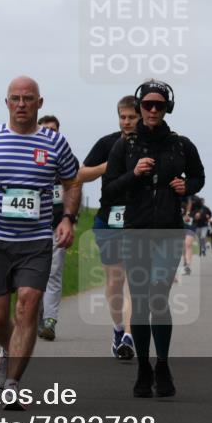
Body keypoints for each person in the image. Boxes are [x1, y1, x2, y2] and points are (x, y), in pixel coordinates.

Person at [0, 77, 81, 409]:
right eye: (15, 98)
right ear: (7, 103)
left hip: (36, 241)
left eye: (29, 98)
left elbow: (72, 182)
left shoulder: (55, 142)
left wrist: (68, 218)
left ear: (40, 103)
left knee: (27, 306)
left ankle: (13, 382)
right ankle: (7, 347)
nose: (22, 103)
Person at [103, 79, 205, 398]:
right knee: (142, 300)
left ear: (167, 108)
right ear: (139, 107)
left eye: (159, 105)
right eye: (147, 104)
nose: (152, 110)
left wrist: (186, 187)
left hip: (169, 231)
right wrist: (133, 174)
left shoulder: (181, 144)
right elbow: (108, 189)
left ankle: (162, 364)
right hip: (135, 230)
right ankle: (143, 367)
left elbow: (199, 176)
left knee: (158, 295)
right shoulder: (127, 146)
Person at [76, 96, 140, 359]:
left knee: (135, 281)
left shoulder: (150, 144)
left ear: (141, 117)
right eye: (122, 117)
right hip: (109, 218)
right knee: (115, 281)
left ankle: (129, 335)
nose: (126, 122)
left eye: (131, 117)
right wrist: (108, 165)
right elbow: (81, 174)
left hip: (140, 220)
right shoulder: (107, 143)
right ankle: (117, 329)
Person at [36, 114, 67, 341]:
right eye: (45, 129)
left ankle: (50, 321)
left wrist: (70, 219)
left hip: (57, 226)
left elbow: (74, 188)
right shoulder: (30, 156)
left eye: (53, 130)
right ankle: (31, 315)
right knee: (31, 276)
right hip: (32, 227)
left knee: (53, 273)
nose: (50, 133)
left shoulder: (65, 158)